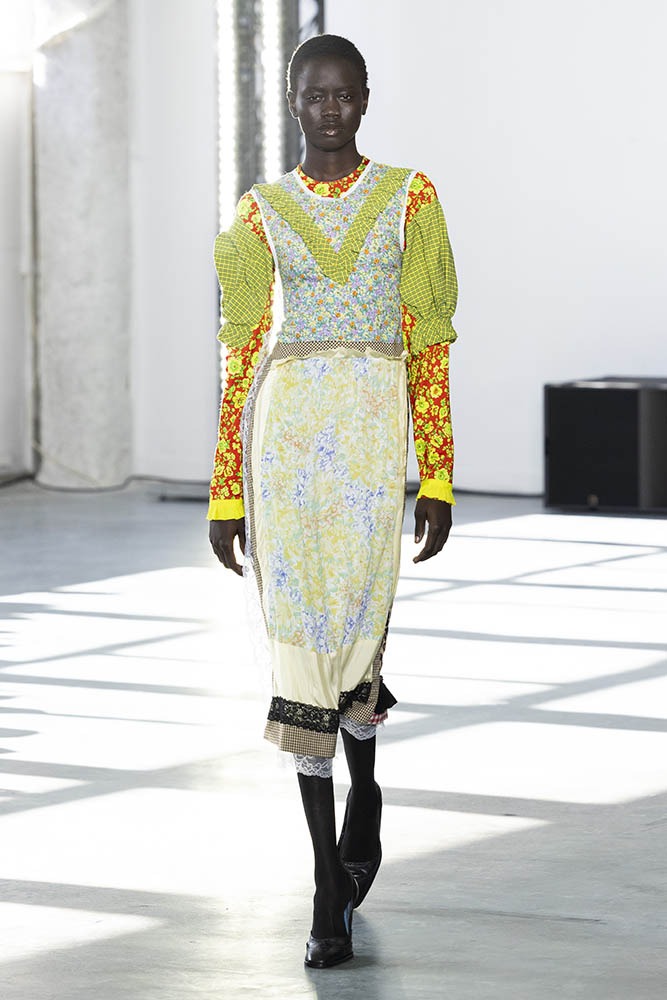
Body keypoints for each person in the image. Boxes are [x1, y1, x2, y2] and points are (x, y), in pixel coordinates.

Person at [207, 33, 458, 968]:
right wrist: (224, 490)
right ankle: (324, 883)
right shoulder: (259, 210)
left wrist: (436, 472)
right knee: (302, 635)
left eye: (344, 94)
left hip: (368, 444)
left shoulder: (411, 198)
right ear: (291, 100)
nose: (329, 109)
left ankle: (368, 789)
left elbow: (428, 345)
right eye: (313, 95)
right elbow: (241, 353)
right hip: (284, 445)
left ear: (364, 98)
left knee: (359, 620)